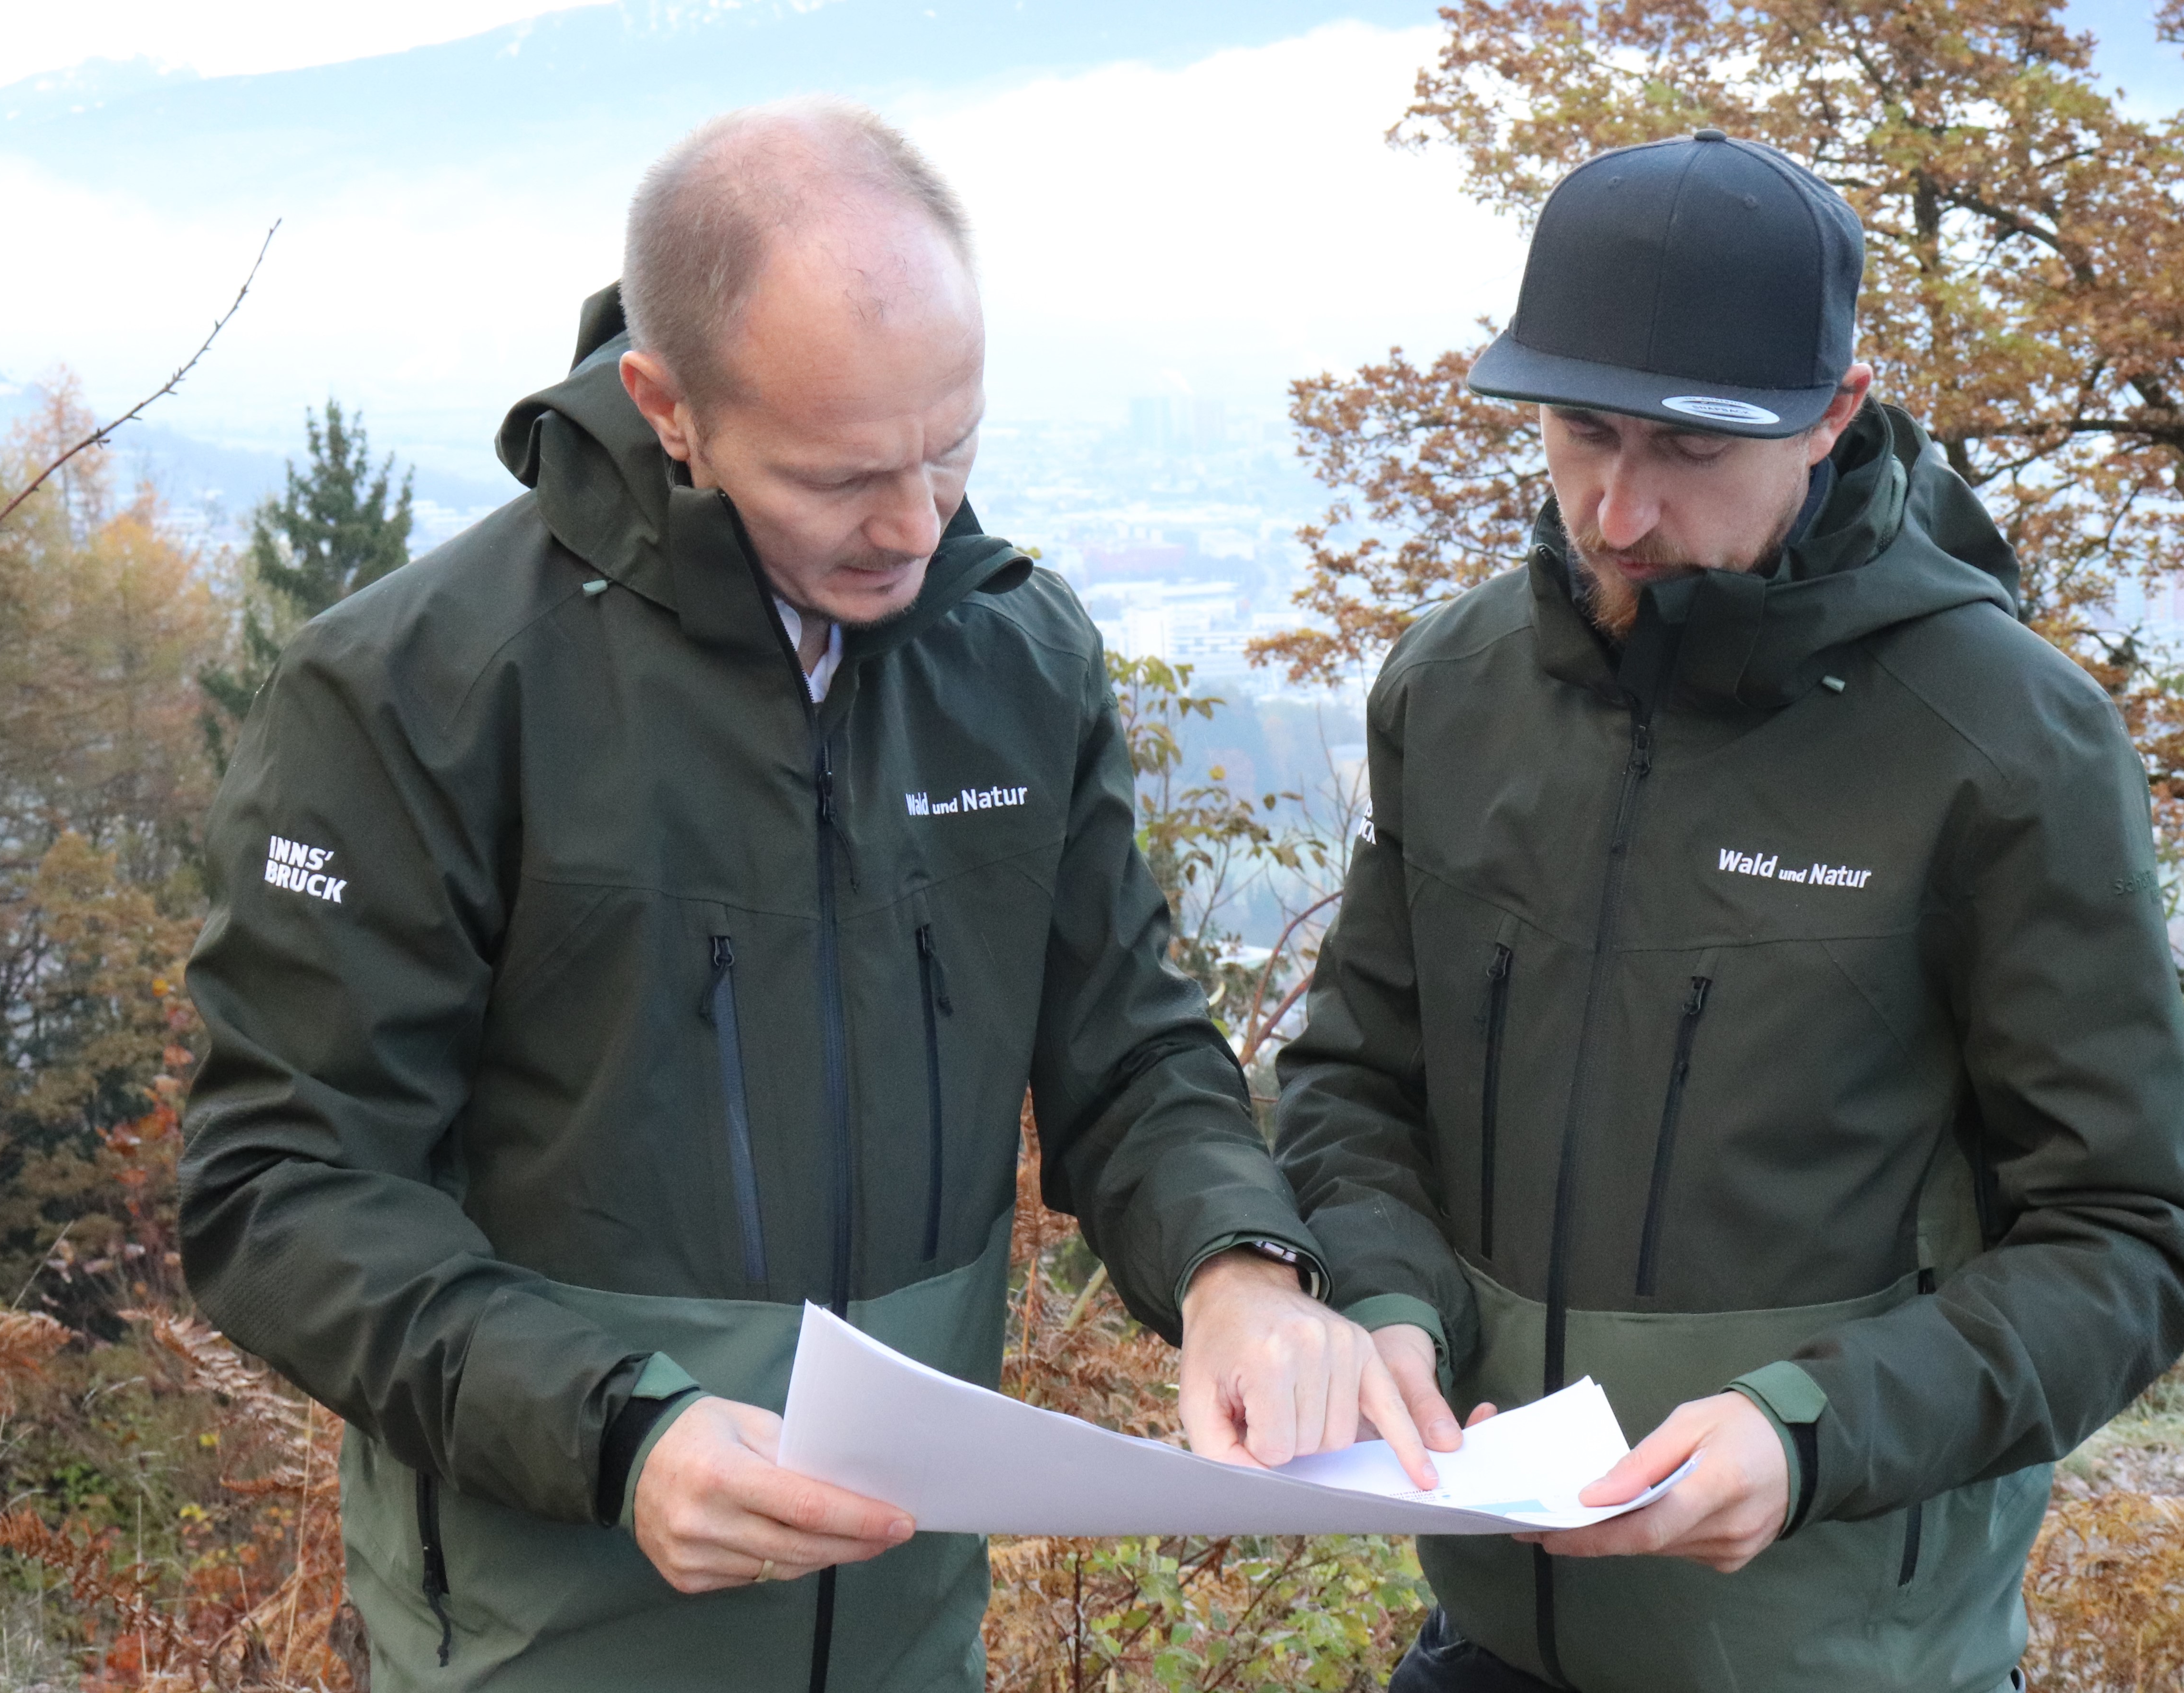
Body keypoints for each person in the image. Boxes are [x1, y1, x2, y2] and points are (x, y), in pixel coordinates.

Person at [179, 99, 1435, 1693]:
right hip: (544, 1633)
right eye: (845, 476)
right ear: (669, 405)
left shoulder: (1019, 661)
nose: (915, 525)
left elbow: (1130, 1051)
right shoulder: (422, 690)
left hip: (912, 1632)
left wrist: (1240, 1267)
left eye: (952, 445)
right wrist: (617, 1428)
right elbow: (277, 1185)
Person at [1273, 129, 2184, 1693]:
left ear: (1835, 413)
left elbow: (2133, 1234)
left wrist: (1805, 1434)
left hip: (1844, 1652)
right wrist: (1383, 1303)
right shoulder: (1450, 693)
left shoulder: (2006, 743)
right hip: (1497, 1635)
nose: (1622, 510)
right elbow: (1357, 1084)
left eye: (1694, 450)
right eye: (1582, 431)